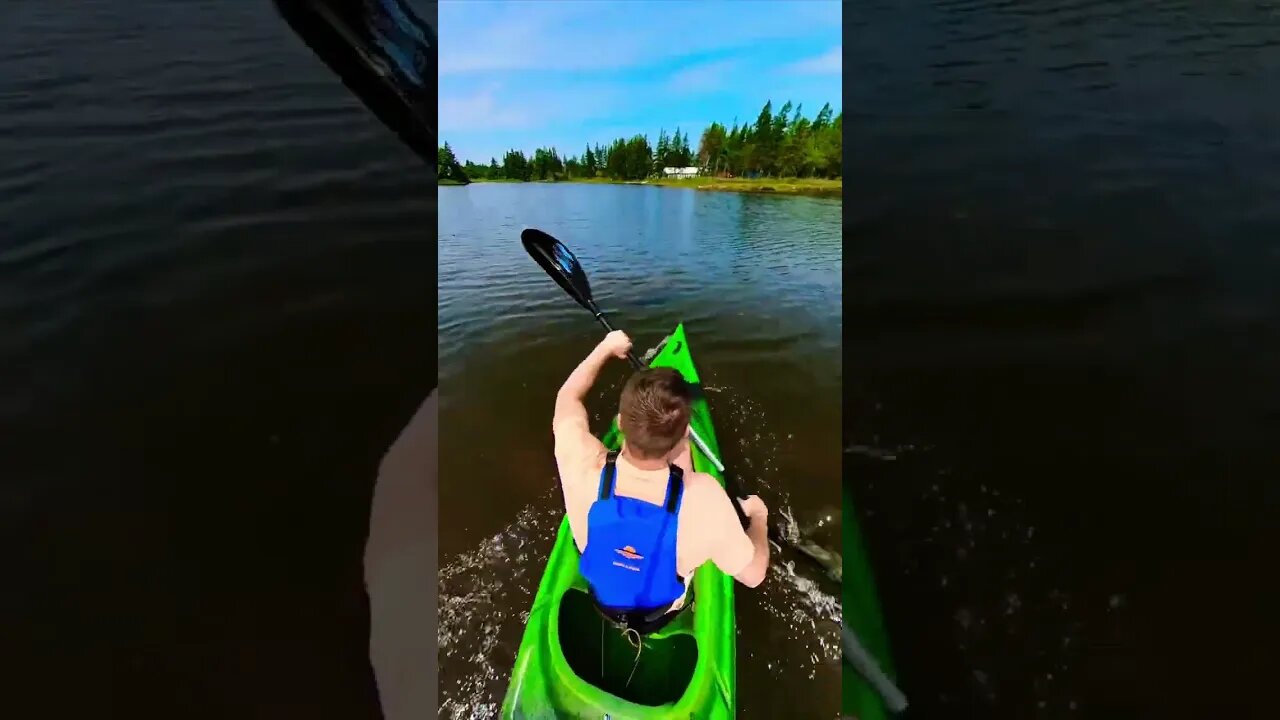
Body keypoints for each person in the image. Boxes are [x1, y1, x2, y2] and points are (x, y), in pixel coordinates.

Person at [552, 330, 770, 630]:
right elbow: (754, 575)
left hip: (600, 601)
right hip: (661, 614)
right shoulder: (705, 497)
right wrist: (759, 518)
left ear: (620, 422)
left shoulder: (580, 459)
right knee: (684, 486)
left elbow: (567, 398)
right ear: (684, 436)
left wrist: (604, 349)